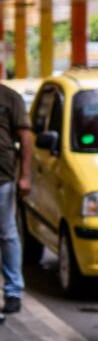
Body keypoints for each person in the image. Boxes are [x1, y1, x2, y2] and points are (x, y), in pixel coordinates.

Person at [0, 81, 33, 317]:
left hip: (3, 178)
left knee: (7, 233)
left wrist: (25, 175)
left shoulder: (10, 98)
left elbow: (26, 137)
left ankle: (13, 291)